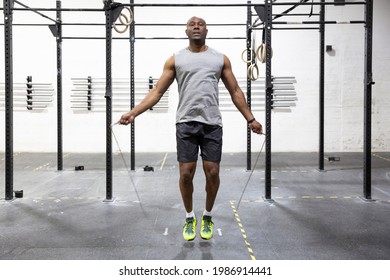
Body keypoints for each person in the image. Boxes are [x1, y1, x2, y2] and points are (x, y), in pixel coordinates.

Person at [118, 16, 263, 241]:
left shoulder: (220, 59)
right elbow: (157, 91)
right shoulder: (175, 60)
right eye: (192, 24)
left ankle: (207, 215)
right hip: (186, 123)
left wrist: (250, 119)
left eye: (201, 24)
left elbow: (235, 91)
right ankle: (188, 217)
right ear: (186, 31)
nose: (196, 26)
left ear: (207, 30)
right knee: (186, 175)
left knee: (212, 173)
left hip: (212, 124)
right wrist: (133, 112)